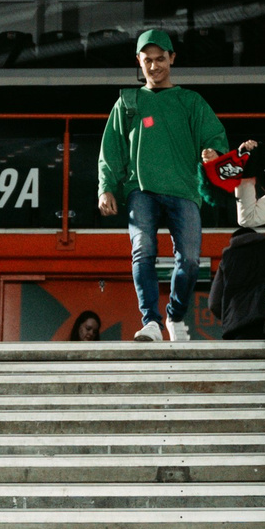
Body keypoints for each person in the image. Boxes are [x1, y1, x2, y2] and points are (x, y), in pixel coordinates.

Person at [95, 28, 230, 342]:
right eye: (147, 60)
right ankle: (151, 322)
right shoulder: (127, 101)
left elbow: (215, 139)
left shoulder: (190, 101)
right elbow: (110, 149)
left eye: (160, 59)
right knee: (143, 251)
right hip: (140, 189)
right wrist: (106, 186)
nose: (154, 66)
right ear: (138, 62)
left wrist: (213, 153)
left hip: (185, 190)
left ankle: (175, 315)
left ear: (172, 58)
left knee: (192, 259)